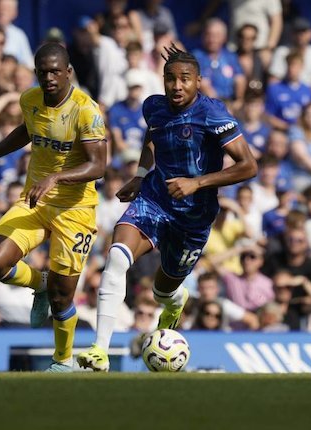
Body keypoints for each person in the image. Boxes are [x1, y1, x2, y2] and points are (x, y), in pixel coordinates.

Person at [77, 44, 257, 372]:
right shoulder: (154, 108)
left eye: (185, 79)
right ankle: (99, 352)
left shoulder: (212, 113)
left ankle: (174, 300)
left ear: (198, 81)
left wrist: (197, 182)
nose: (176, 86)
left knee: (164, 292)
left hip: (194, 217)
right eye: (170, 79)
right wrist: (141, 175)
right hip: (155, 200)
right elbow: (153, 135)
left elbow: (248, 166)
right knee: (116, 257)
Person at [0, 43, 107, 372]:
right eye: (42, 71)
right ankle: (40, 283)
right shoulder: (29, 99)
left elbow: (98, 165)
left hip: (74, 210)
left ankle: (62, 362)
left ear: (68, 72)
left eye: (55, 71)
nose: (49, 77)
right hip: (35, 201)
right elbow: (27, 131)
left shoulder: (86, 110)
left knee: (64, 297)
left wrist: (56, 178)